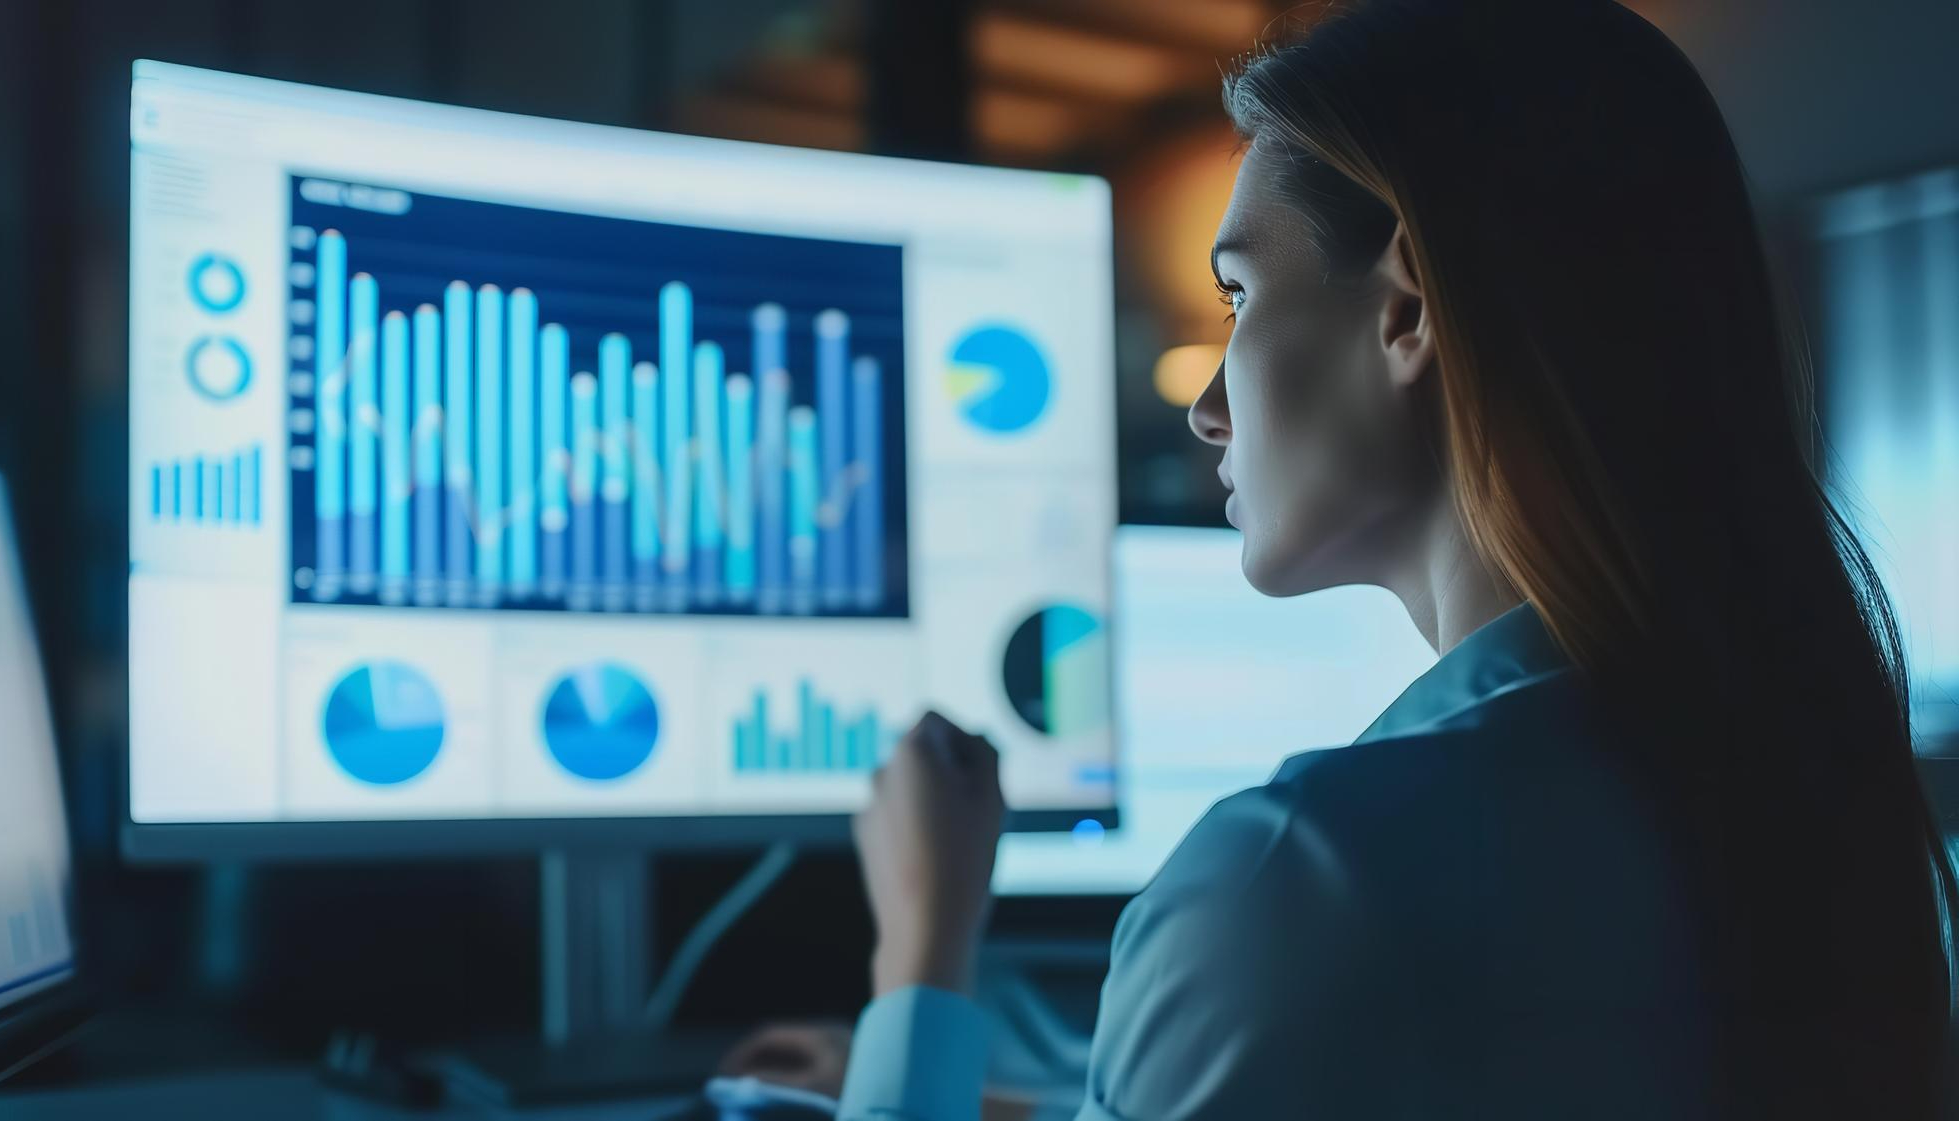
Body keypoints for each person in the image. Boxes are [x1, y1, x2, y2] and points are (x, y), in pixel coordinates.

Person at [732, 1, 1957, 1116]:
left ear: (1406, 305)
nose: (1207, 406)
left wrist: (921, 966)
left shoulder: (1296, 877)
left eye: (1236, 295)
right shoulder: (1808, 797)